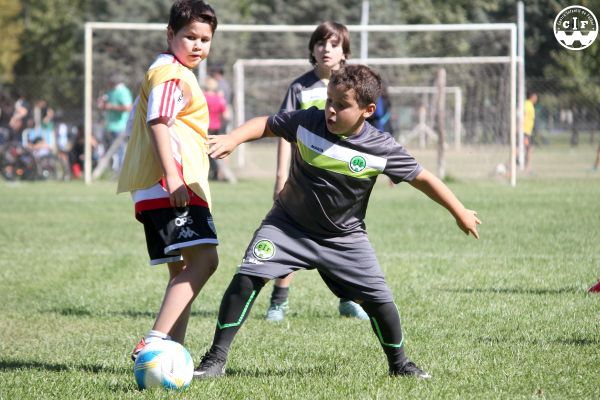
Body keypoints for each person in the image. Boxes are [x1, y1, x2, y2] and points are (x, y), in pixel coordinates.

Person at [194, 64, 481, 380]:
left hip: (344, 238)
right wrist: (234, 138)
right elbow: (267, 124)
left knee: (379, 299)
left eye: (342, 105)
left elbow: (423, 178)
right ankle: (214, 360)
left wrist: (460, 212)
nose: (331, 110)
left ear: (367, 111)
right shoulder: (308, 122)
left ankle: (400, 364)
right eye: (329, 101)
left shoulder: (381, 147)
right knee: (248, 276)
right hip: (287, 226)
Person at [116, 0, 220, 360]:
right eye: (189, 36)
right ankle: (156, 339)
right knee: (206, 261)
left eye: (204, 39)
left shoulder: (166, 69)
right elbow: (158, 122)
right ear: (170, 34)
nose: (197, 45)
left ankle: (171, 353)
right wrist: (174, 178)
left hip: (155, 187)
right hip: (171, 186)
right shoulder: (171, 73)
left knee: (181, 269)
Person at [267, 21, 369, 322]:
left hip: (340, 183)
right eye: (321, 43)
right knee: (289, 235)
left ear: (344, 52)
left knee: (340, 237)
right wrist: (280, 177)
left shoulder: (353, 89)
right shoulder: (300, 87)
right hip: (302, 180)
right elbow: (284, 131)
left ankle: (348, 299)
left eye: (334, 44)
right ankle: (278, 302)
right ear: (312, 49)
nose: (326, 49)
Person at [98, 74, 133, 174]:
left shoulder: (123, 92)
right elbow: (104, 106)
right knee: (109, 151)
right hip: (109, 127)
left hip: (120, 126)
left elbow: (128, 107)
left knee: (120, 150)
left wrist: (111, 106)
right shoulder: (110, 91)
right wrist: (102, 104)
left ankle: (121, 172)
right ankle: (110, 171)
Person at [204, 77, 235, 182]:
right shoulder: (220, 99)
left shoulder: (203, 98)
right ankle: (223, 173)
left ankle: (211, 173)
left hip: (206, 128)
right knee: (221, 151)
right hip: (218, 128)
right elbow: (226, 115)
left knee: (205, 152)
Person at [522, 92, 538, 173]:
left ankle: (526, 166)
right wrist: (519, 126)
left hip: (528, 131)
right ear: (531, 97)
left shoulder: (531, 105)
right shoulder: (527, 104)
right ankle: (526, 167)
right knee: (527, 148)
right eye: (535, 97)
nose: (536, 99)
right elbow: (523, 114)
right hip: (524, 131)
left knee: (528, 148)